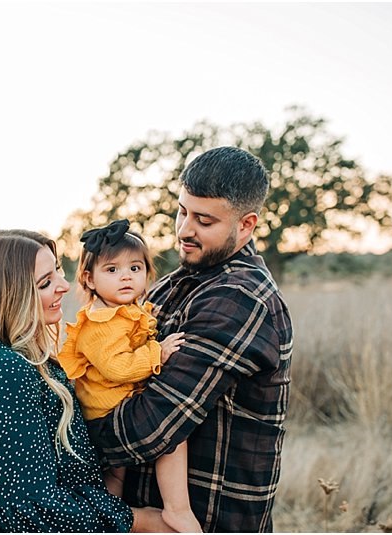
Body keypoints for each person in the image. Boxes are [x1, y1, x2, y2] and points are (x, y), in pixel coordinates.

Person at [86, 147, 294, 533]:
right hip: (147, 516)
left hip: (206, 521)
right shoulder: (171, 285)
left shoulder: (240, 297)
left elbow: (155, 422)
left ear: (246, 224)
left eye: (204, 220)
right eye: (182, 211)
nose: (184, 229)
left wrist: (65, 441)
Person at [0, 229, 172, 533]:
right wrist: (140, 521)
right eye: (45, 283)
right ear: (6, 295)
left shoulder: (21, 359)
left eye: (58, 272)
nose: (64, 286)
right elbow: (32, 506)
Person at [57, 219, 201, 533]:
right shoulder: (99, 323)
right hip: (106, 412)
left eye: (135, 268)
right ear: (89, 279)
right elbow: (117, 368)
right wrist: (157, 353)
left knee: (116, 475)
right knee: (171, 431)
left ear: (147, 274)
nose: (125, 276)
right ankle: (178, 510)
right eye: (112, 270)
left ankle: (110, 522)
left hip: (113, 406)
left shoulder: (126, 311)